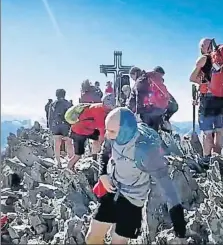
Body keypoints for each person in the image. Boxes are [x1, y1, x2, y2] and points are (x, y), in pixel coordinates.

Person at [85, 107, 186, 244]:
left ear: (124, 131)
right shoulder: (115, 136)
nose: (107, 135)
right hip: (112, 189)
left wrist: (179, 227)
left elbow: (167, 187)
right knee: (92, 238)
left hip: (132, 199)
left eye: (112, 131)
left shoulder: (145, 151)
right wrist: (103, 175)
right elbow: (105, 152)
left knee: (118, 242)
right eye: (107, 130)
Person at [189, 38, 223, 165]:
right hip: (222, 99)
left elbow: (192, 78)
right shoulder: (222, 59)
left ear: (202, 47)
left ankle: (206, 159)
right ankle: (217, 157)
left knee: (207, 132)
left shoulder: (203, 59)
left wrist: (202, 83)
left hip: (208, 100)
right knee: (219, 130)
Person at [66, 94, 116, 170]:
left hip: (87, 129)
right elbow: (102, 132)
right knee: (78, 154)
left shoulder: (100, 107)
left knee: (97, 138)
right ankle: (69, 168)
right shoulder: (100, 113)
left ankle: (94, 157)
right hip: (79, 132)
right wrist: (104, 146)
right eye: (112, 105)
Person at [127, 66, 171, 132]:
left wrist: (137, 112)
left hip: (148, 111)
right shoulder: (148, 78)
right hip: (159, 108)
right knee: (155, 130)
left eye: (132, 76)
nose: (132, 79)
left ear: (135, 73)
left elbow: (139, 96)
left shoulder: (140, 80)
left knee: (148, 131)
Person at [48, 89, 74, 168]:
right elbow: (73, 116)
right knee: (69, 143)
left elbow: (50, 117)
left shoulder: (52, 104)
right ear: (64, 95)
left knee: (57, 143)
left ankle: (58, 162)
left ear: (56, 95)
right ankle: (71, 162)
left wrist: (50, 127)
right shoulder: (68, 104)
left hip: (56, 125)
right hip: (66, 125)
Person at [154, 66, 179, 132]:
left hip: (169, 104)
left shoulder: (156, 82)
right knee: (164, 118)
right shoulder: (157, 82)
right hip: (171, 104)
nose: (161, 77)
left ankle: (166, 130)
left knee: (161, 118)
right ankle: (168, 130)